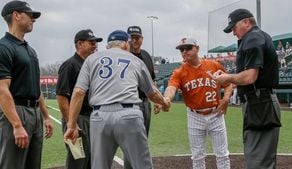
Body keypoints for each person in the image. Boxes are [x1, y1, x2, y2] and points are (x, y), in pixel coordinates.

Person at [64, 30, 170, 169]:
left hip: (99, 116)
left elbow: (78, 92)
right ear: (126, 44)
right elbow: (152, 93)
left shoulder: (92, 59)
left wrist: (71, 124)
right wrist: (164, 103)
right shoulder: (135, 60)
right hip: (129, 115)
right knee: (142, 165)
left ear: (108, 45)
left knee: (99, 166)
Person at [216, 9, 281, 169]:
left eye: (234, 28)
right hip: (259, 102)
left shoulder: (253, 37)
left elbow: (250, 76)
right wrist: (228, 74)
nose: (233, 33)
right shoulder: (256, 37)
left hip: (261, 102)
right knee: (257, 159)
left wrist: (228, 78)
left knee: (258, 163)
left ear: (246, 22)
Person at [161, 37, 232, 169]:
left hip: (216, 113)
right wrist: (166, 99)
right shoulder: (179, 72)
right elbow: (171, 88)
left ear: (197, 49)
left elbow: (228, 84)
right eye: (181, 49)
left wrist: (226, 98)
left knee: (222, 155)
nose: (184, 51)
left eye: (188, 48)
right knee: (197, 156)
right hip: (194, 116)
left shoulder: (213, 65)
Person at [0, 1, 54, 169]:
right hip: (17, 110)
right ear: (16, 15)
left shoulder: (30, 50)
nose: (34, 20)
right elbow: (2, 90)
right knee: (13, 164)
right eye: (30, 15)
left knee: (33, 164)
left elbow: (36, 88)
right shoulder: (4, 47)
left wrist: (45, 117)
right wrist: (16, 125)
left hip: (35, 112)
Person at [56, 29, 102, 169]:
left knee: (90, 160)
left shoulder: (89, 65)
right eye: (91, 43)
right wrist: (72, 123)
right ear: (80, 44)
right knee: (77, 160)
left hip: (91, 118)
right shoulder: (70, 65)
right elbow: (62, 96)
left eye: (96, 43)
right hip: (77, 118)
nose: (95, 46)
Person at [125, 25, 155, 169]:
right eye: (131, 38)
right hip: (129, 104)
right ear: (127, 39)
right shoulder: (123, 56)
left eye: (137, 38)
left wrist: (158, 102)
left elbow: (152, 81)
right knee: (130, 141)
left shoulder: (146, 56)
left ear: (142, 39)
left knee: (143, 140)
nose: (134, 41)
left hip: (145, 102)